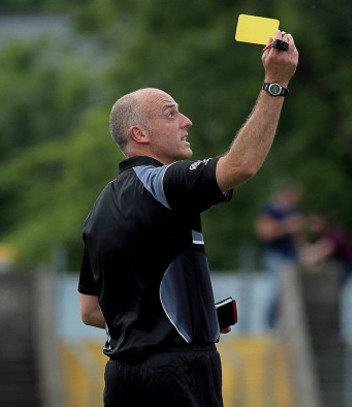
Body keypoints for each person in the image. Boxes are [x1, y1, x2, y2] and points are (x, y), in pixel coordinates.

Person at [78, 30, 298, 407]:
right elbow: (241, 165)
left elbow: (90, 311)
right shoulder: (163, 182)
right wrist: (275, 83)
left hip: (120, 378)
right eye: (171, 113)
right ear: (139, 134)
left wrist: (185, 314)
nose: (187, 121)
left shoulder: (98, 209)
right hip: (177, 376)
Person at [254, 182, 303, 328]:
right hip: (275, 255)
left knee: (289, 292)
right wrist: (286, 226)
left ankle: (284, 324)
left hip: (290, 255)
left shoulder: (293, 211)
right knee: (275, 290)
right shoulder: (270, 210)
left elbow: (297, 237)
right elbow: (264, 233)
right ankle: (270, 324)